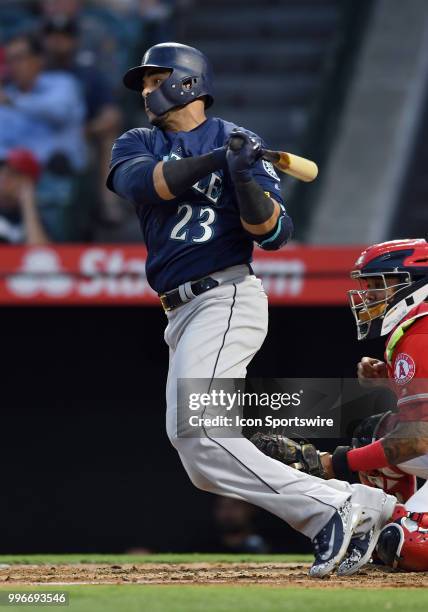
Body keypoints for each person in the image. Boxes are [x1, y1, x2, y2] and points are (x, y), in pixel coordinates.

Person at [106, 41, 396, 578]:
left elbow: (275, 234)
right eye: (144, 82)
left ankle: (331, 509)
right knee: (199, 456)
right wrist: (220, 160)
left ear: (188, 80)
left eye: (154, 78)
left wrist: (243, 176)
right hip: (179, 312)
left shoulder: (240, 140)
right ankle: (357, 502)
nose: (146, 90)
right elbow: (141, 184)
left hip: (225, 296)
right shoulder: (139, 140)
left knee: (201, 434)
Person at [318, 239, 428, 571]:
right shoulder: (418, 327)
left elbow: (419, 436)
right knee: (373, 435)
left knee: (412, 544)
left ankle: (393, 518)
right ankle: (393, 515)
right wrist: (391, 379)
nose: (369, 295)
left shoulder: (420, 334)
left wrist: (336, 463)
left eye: (380, 283)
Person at [0, 33, 87, 173]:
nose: (14, 66)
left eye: (19, 58)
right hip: (18, 173)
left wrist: (14, 102)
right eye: (10, 60)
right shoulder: (7, 95)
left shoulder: (63, 83)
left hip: (56, 173)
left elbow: (59, 113)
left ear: (38, 60)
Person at [0, 148, 49, 245]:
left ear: (29, 182)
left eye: (13, 173)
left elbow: (42, 256)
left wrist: (28, 205)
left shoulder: (37, 217)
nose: (3, 177)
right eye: (2, 171)